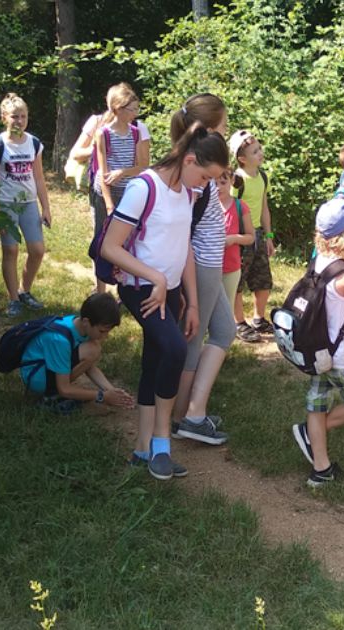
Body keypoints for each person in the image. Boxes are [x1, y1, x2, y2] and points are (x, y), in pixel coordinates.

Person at [100, 123, 227, 479]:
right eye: (204, 177)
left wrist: (193, 301)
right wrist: (154, 277)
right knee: (173, 351)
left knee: (155, 358)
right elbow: (110, 247)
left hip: (169, 291)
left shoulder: (189, 193)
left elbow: (183, 246)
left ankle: (141, 450)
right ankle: (161, 442)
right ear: (188, 160)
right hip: (141, 289)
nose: (206, 187)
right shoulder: (145, 187)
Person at [167, 95, 235, 446]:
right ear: (209, 129)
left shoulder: (200, 168)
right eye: (223, 125)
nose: (226, 130)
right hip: (202, 264)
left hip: (208, 262)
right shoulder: (196, 173)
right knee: (194, 338)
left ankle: (192, 410)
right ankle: (185, 417)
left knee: (224, 330)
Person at [289, 198, 344, 487]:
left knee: (317, 403)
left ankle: (320, 469)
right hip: (341, 356)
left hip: (317, 350)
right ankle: (312, 433)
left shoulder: (317, 262)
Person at [69, 84, 154, 294]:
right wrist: (108, 204)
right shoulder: (102, 133)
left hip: (129, 191)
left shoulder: (136, 132)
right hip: (105, 191)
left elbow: (143, 166)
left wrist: (123, 172)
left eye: (137, 109)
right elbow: (102, 170)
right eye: (132, 109)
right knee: (102, 237)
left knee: (127, 239)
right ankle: (100, 290)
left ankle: (123, 287)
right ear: (118, 108)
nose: (135, 114)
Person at [0, 93, 53, 317]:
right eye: (14, 116)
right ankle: (13, 299)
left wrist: (46, 207)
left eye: (23, 116)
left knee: (37, 250)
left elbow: (40, 178)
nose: (19, 121)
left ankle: (25, 290)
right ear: (4, 117)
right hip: (5, 204)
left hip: (28, 203)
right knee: (10, 249)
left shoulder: (34, 144)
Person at [18, 293, 137, 414]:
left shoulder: (78, 324)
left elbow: (89, 366)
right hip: (37, 379)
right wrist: (102, 396)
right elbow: (64, 389)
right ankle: (50, 396)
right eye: (102, 331)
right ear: (86, 321)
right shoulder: (60, 341)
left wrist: (112, 391)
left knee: (93, 349)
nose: (105, 336)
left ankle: (55, 389)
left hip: (43, 370)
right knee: (92, 349)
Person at [229, 129, 277, 342]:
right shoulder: (238, 180)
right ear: (241, 158)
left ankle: (259, 318)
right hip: (240, 236)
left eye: (259, 148)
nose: (260, 153)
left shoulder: (263, 176)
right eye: (254, 151)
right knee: (237, 281)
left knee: (263, 279)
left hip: (258, 234)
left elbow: (264, 207)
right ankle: (239, 322)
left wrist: (269, 235)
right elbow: (230, 207)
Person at [219, 166, 255, 339]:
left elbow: (250, 237)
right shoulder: (202, 205)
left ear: (232, 181)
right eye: (213, 182)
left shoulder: (240, 206)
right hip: (206, 266)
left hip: (231, 267)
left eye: (223, 182)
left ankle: (223, 343)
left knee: (226, 306)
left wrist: (233, 239)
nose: (218, 186)